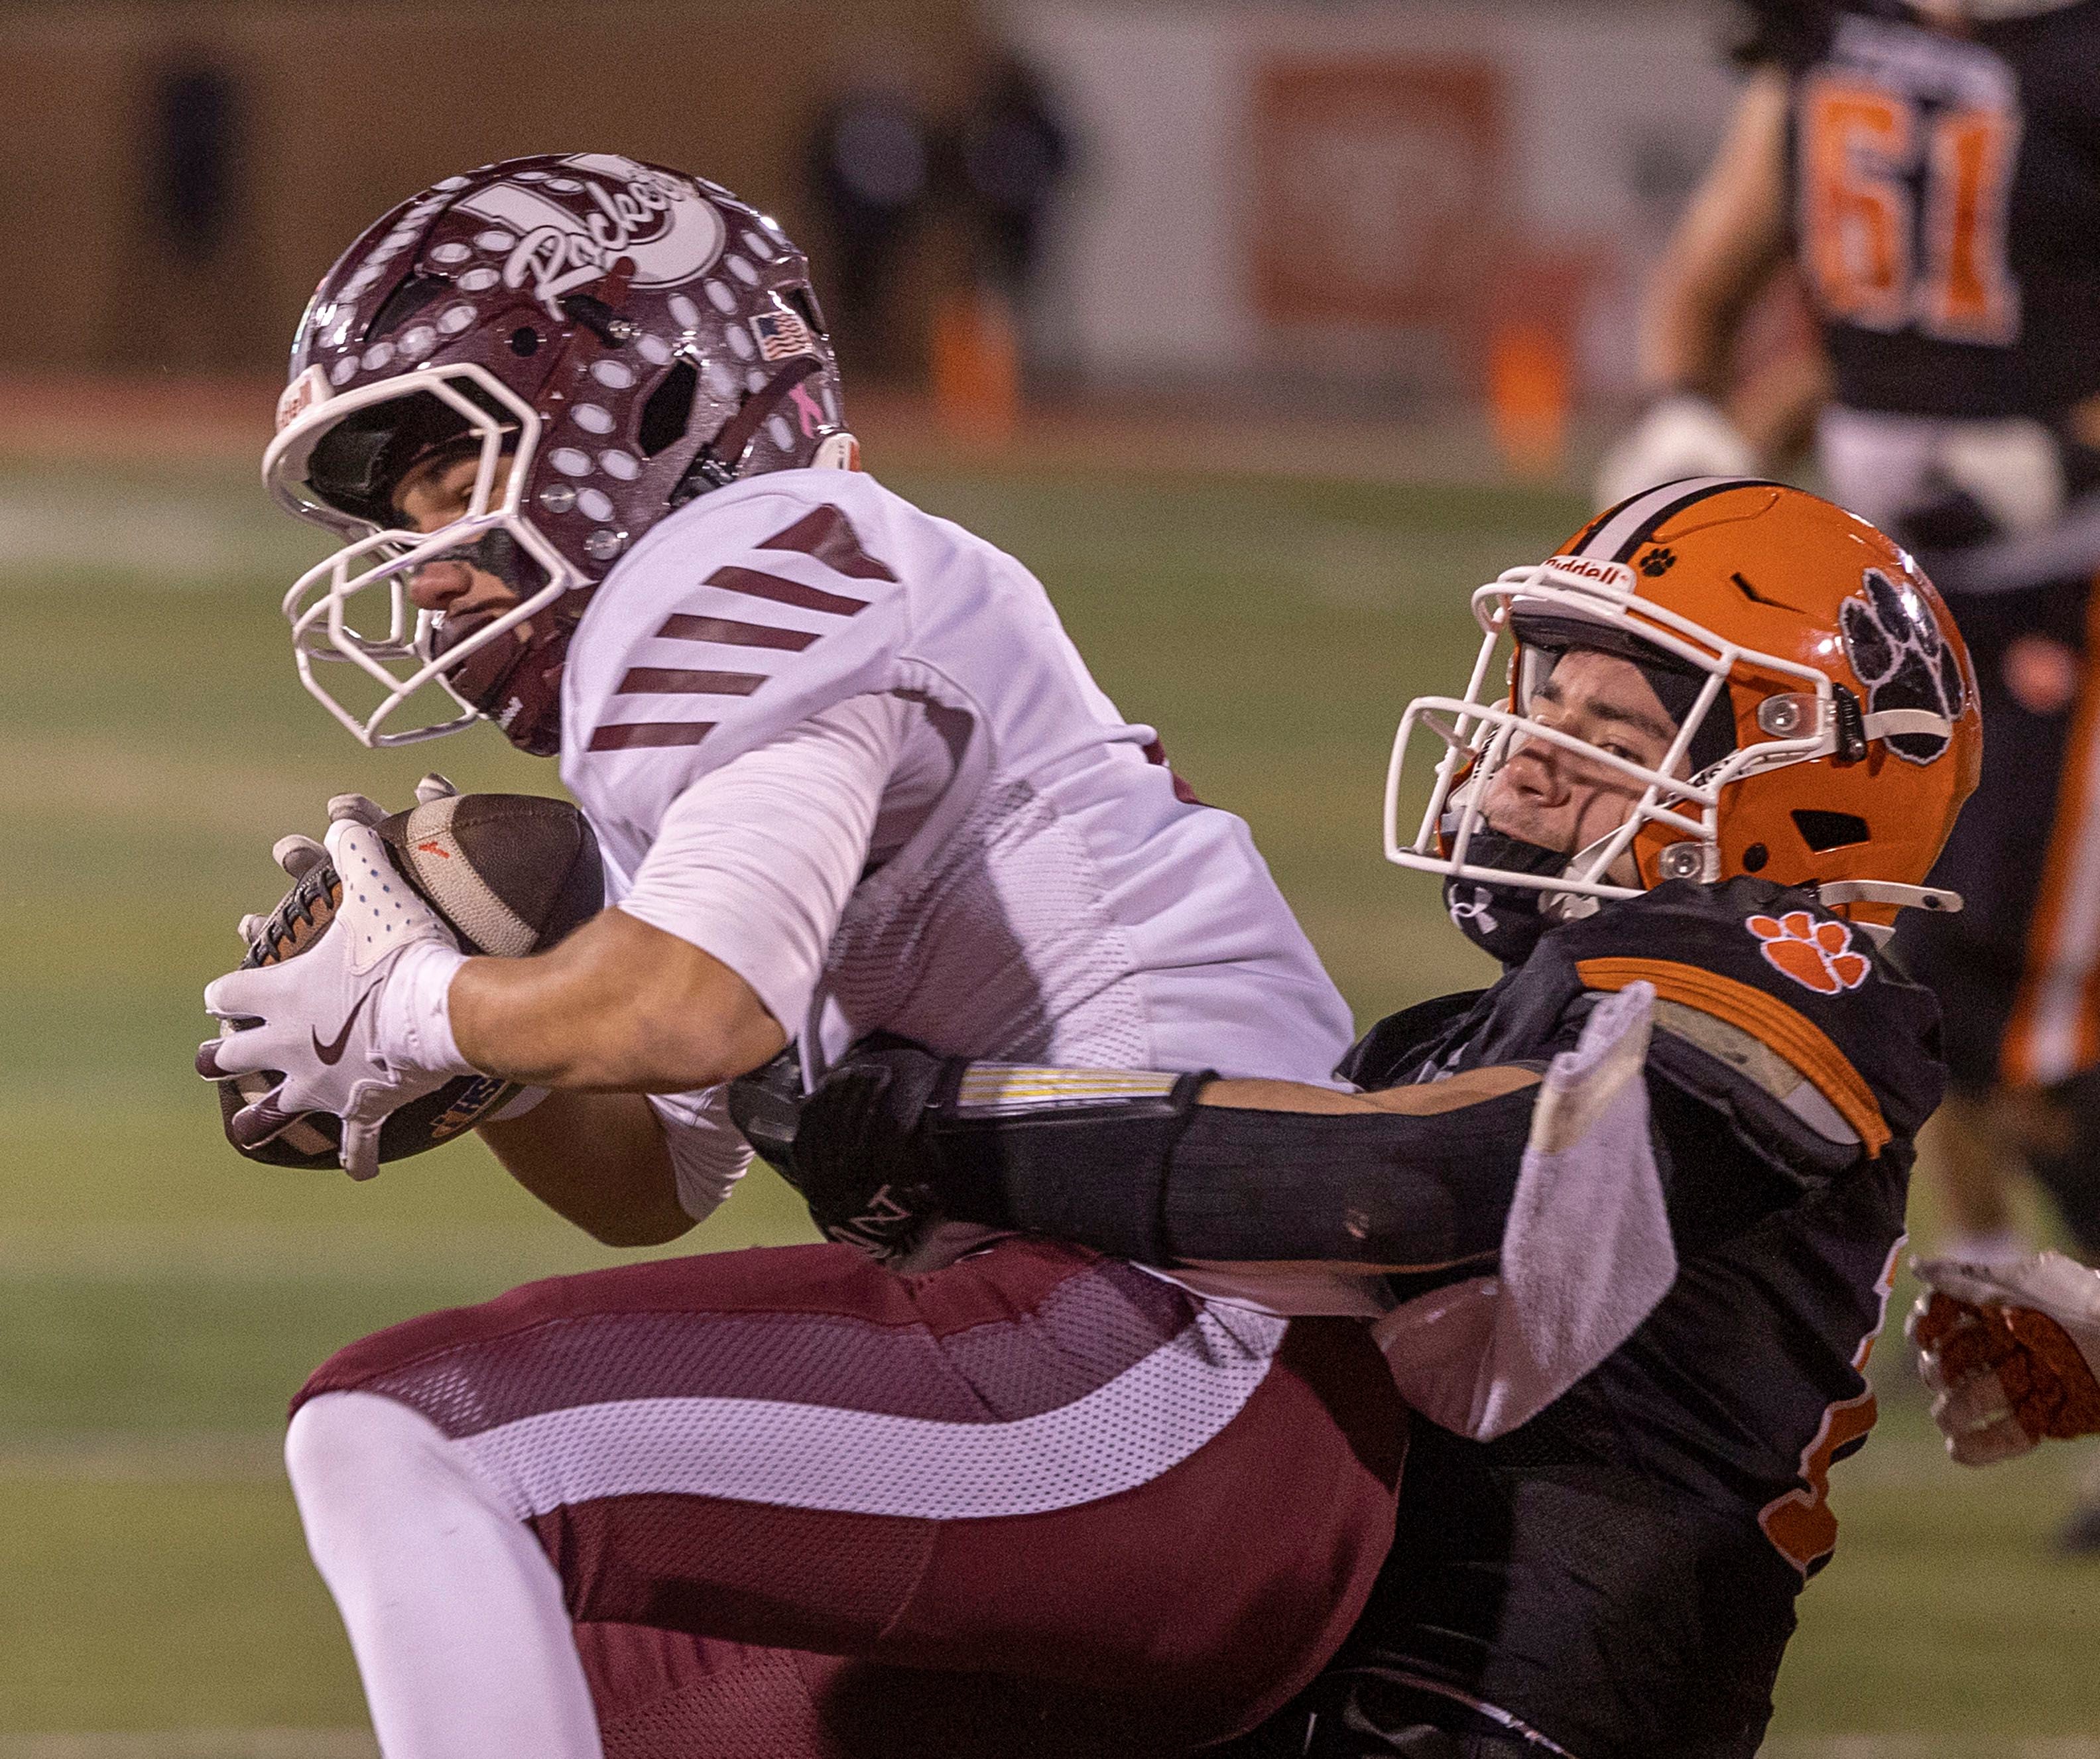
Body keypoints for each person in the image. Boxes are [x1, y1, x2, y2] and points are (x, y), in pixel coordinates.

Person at [199, 153, 1409, 1759]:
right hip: (1176, 1395)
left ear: (650, 404)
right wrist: (489, 1056)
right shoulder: (750, 630)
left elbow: (695, 1007)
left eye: (447, 477)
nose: (426, 562)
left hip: (1169, 1352)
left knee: (403, 1438)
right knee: (596, 1687)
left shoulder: (756, 551)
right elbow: (652, 1179)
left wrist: (422, 1006)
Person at [753, 478, 1981, 1758]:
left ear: (1800, 789)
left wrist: (959, 1133)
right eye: (1546, 693)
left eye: (1615, 724)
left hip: (1525, 1699)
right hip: (1341, 1665)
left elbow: (1421, 1189)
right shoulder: (1444, 1041)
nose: (1534, 748)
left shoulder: (1803, 978)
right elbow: (1242, 1212)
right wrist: (823, 1103)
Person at [1599, 0, 2100, 1298]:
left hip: (2068, 585)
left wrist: (2065, 446)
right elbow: (1716, 267)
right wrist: (1685, 415)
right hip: (1884, 598)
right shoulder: (1830, 24)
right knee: (1849, 941)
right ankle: (1978, 1265)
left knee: (2022, 1007)